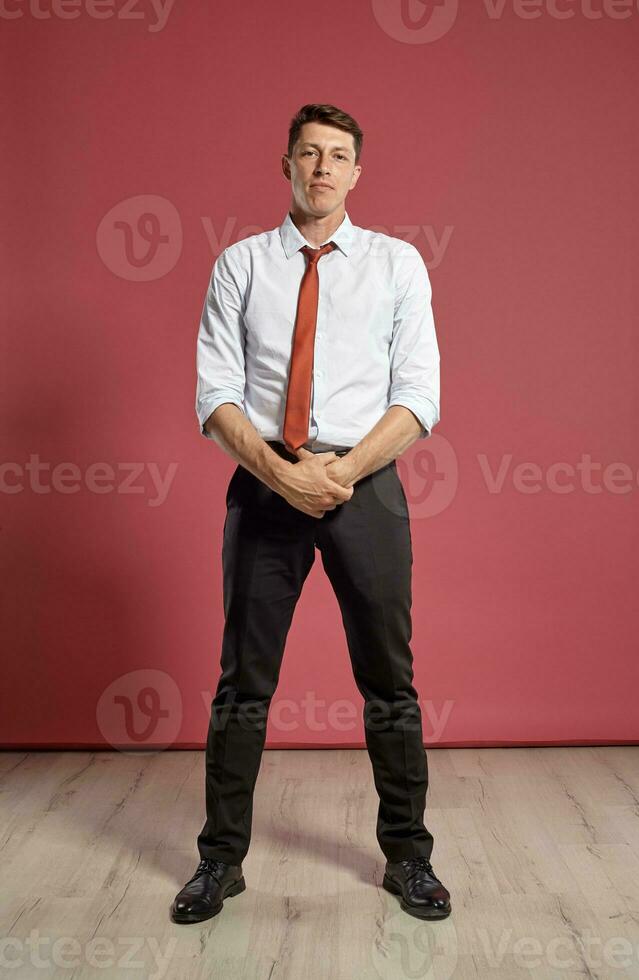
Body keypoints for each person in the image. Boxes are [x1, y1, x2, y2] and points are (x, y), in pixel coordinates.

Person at [171, 103, 451, 924]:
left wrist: (341, 472)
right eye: (308, 154)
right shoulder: (240, 265)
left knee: (389, 682)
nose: (322, 168)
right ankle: (220, 863)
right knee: (241, 686)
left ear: (357, 172)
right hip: (265, 482)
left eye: (337, 156)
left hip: (364, 484)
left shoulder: (399, 265)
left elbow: (420, 394)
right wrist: (282, 475)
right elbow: (216, 393)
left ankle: (410, 859)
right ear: (286, 166)